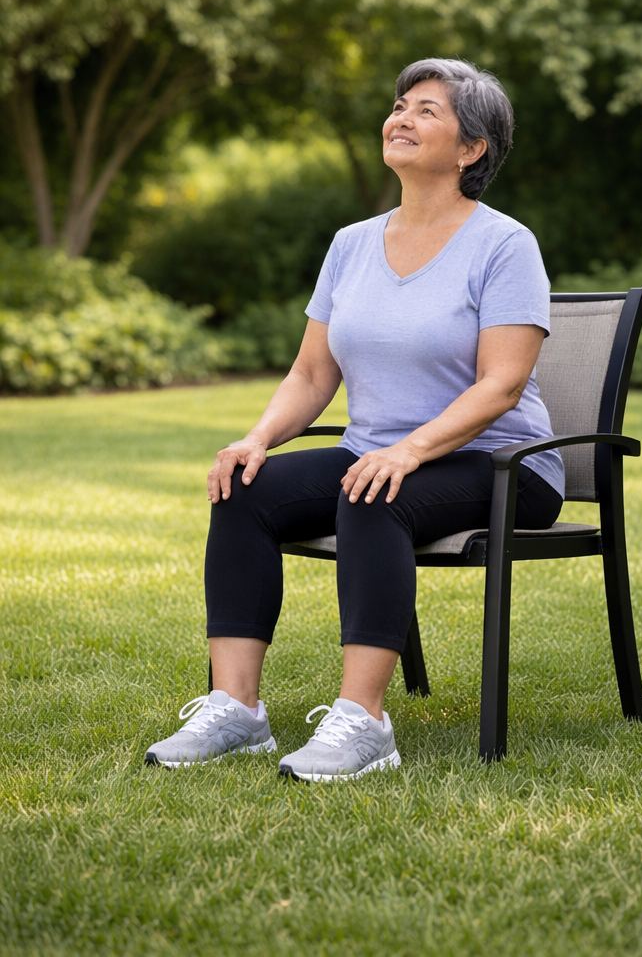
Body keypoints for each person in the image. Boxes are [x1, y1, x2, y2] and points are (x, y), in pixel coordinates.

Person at [146, 58, 564, 782]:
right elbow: (312, 374)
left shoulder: (505, 245)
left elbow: (502, 385)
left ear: (473, 149)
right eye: (400, 105)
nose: (400, 117)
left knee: (372, 488)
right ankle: (237, 709)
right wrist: (254, 439)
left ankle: (365, 721)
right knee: (245, 487)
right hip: (382, 453)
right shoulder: (351, 244)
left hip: (502, 466)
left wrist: (409, 451)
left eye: (427, 110)